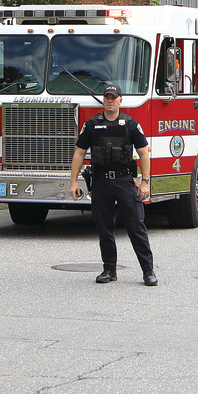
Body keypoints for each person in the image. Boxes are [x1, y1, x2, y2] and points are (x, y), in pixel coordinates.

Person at [69, 84, 157, 286]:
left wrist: (145, 182)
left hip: (124, 181)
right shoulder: (91, 125)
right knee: (104, 228)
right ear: (103, 100)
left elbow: (144, 152)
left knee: (136, 227)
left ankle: (148, 271)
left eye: (113, 97)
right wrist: (73, 181)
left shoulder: (130, 125)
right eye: (107, 97)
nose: (110, 100)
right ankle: (109, 270)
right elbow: (79, 153)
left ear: (120, 100)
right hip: (100, 183)